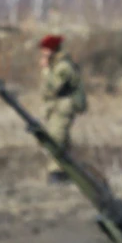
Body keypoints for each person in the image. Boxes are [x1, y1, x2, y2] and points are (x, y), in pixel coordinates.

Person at [39, 35, 87, 182]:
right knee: (61, 139)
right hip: (58, 108)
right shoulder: (58, 65)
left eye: (45, 49)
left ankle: (56, 172)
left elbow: (54, 88)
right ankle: (66, 172)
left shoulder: (63, 67)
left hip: (64, 108)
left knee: (56, 139)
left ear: (52, 50)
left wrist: (46, 70)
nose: (43, 52)